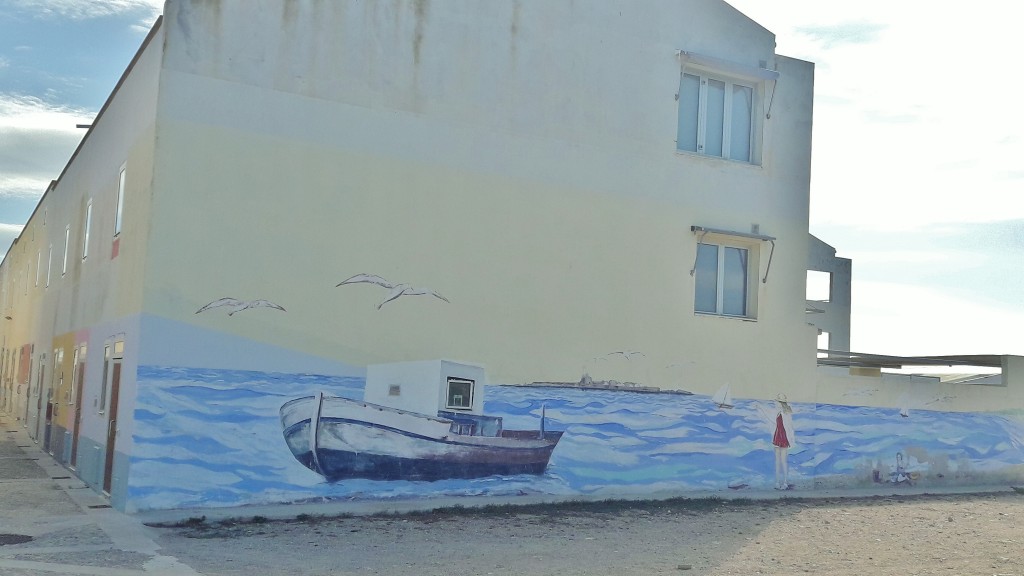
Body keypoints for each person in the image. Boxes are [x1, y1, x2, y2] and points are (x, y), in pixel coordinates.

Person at [764, 393, 794, 490]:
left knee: (783, 461)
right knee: (777, 461)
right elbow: (769, 417)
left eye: (777, 401)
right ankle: (777, 482)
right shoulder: (777, 412)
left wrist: (791, 440)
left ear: (780, 403)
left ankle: (785, 482)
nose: (775, 403)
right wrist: (760, 408)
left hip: (783, 438)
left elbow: (790, 428)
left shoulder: (786, 413)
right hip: (777, 437)